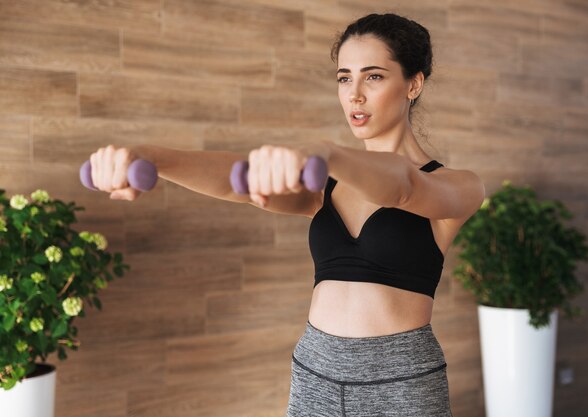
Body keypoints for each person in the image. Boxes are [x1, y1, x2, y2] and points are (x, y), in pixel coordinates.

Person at [87, 12, 484, 417]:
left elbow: (404, 187)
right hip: (315, 372)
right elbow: (236, 182)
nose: (355, 95)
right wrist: (150, 157)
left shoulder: (457, 186)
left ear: (413, 84)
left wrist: (325, 152)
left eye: (374, 76)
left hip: (400, 381)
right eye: (344, 77)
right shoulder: (322, 185)